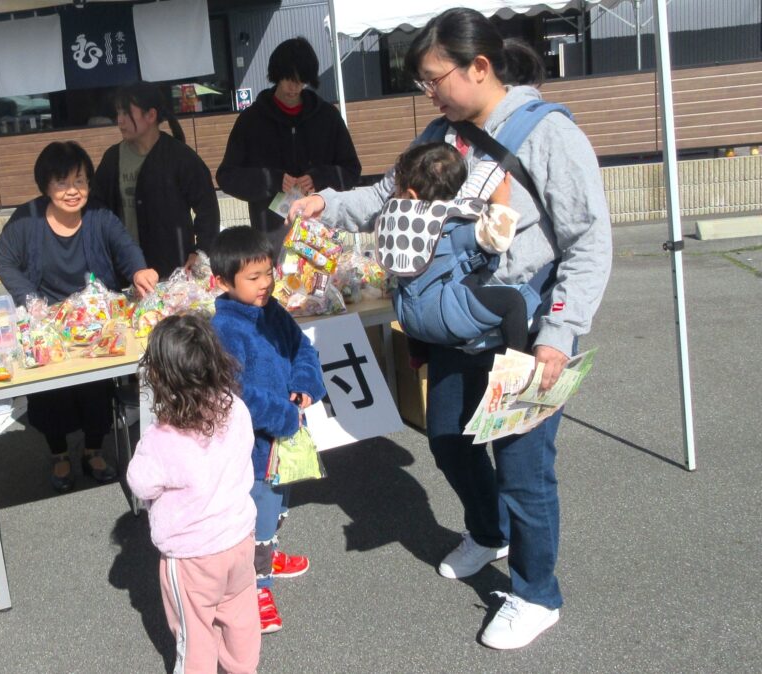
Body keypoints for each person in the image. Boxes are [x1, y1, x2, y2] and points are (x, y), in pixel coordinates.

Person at [288, 7, 612, 650]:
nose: (427, 92)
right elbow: (386, 196)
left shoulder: (547, 133)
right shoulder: (442, 129)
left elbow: (588, 239)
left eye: (434, 78)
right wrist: (327, 204)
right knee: (447, 439)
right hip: (453, 327)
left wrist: (561, 329)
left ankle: (535, 593)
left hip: (524, 330)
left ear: (480, 67)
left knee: (524, 468)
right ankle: (487, 532)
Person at [0, 140, 158, 492]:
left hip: (94, 322)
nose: (73, 191)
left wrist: (139, 270)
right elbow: (3, 258)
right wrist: (30, 300)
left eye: (80, 181)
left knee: (96, 386)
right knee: (50, 392)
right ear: (46, 185)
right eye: (63, 183)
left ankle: (94, 449)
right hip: (47, 323)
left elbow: (125, 247)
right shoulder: (27, 219)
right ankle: (59, 454)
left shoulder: (99, 215)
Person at [126, 313, 260, 674]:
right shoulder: (237, 409)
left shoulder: (162, 438)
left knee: (194, 633)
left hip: (193, 555)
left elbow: (140, 483)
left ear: (159, 377)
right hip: (239, 538)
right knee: (240, 617)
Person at [209, 226, 327, 634]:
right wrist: (284, 415)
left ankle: (268, 553)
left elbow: (302, 349)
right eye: (253, 278)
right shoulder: (225, 329)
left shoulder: (271, 309)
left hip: (286, 434)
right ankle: (255, 586)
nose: (265, 285)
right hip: (256, 445)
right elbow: (235, 394)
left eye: (267, 274)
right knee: (258, 511)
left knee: (279, 502)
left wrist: (306, 383)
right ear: (223, 282)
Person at [216, 37, 361, 256]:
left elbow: (351, 171)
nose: (294, 87)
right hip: (271, 239)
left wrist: (320, 177)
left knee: (323, 288)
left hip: (321, 236)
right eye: (288, 79)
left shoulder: (327, 117)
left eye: (301, 80)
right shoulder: (251, 120)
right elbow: (226, 176)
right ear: (276, 75)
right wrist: (271, 180)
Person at [386, 140, 527, 351]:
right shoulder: (455, 223)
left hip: (409, 320)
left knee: (407, 284)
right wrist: (501, 203)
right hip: (446, 317)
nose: (395, 196)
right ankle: (516, 369)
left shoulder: (394, 224)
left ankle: (418, 354)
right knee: (514, 302)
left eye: (397, 189)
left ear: (410, 196)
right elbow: (498, 239)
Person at [91, 81, 220, 279]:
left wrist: (201, 251)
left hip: (173, 270)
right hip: (127, 270)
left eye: (126, 113)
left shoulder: (180, 157)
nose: (120, 120)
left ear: (150, 115)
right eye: (118, 113)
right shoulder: (113, 158)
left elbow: (208, 208)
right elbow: (97, 207)